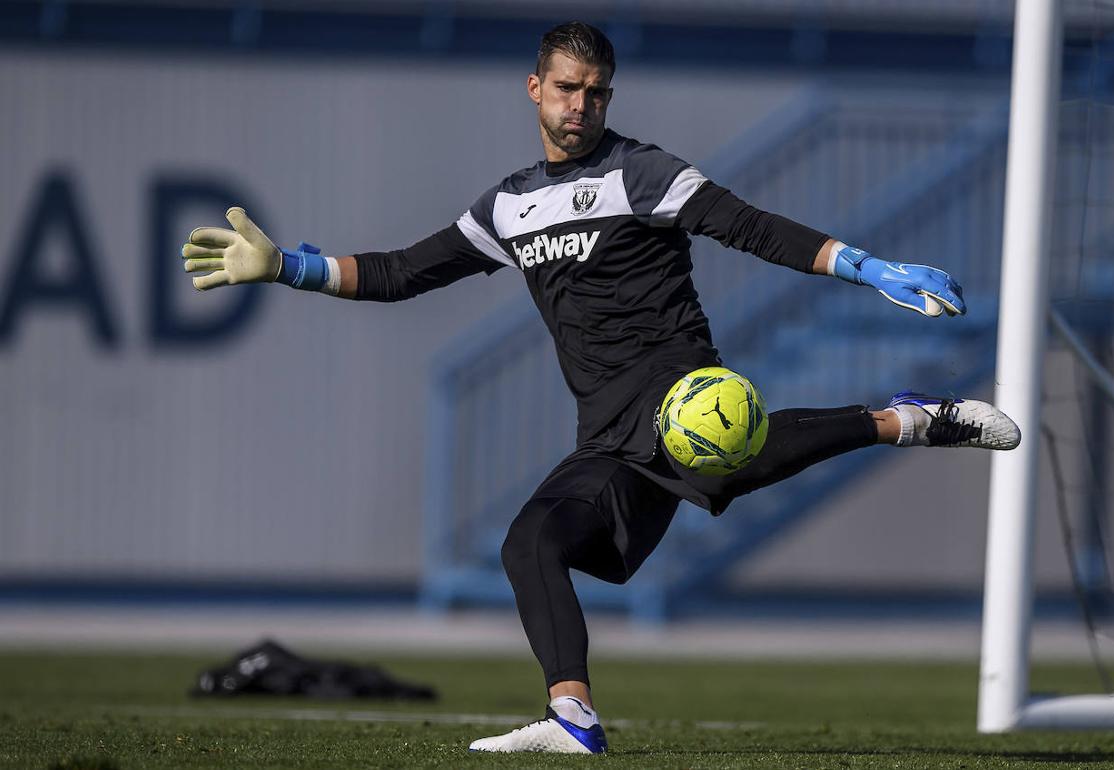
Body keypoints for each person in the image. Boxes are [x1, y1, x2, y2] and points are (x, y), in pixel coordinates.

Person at [181, 21, 1020, 754]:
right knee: (529, 545)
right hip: (605, 433)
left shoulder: (641, 174)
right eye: (568, 89)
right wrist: (286, 266)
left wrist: (864, 266)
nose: (581, 106)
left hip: (681, 392)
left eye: (597, 92)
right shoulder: (507, 208)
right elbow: (403, 271)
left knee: (717, 455)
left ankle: (904, 420)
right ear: (535, 89)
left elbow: (750, 227)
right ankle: (574, 713)